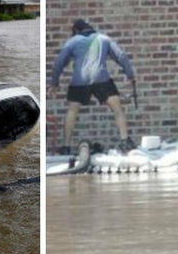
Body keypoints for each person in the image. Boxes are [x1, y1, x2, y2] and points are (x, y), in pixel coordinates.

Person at [48, 19, 136, 154]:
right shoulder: (104, 38)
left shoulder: (73, 41)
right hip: (101, 80)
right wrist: (130, 75)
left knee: (72, 111)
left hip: (79, 81)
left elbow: (59, 62)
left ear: (76, 30)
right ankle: (125, 141)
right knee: (117, 108)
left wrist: (54, 83)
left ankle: (66, 146)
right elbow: (121, 56)